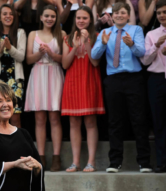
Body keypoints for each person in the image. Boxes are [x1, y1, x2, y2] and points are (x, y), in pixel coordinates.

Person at [92, 2, 152, 173]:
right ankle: (115, 162)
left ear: (127, 15)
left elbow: (142, 53)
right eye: (116, 13)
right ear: (112, 15)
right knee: (115, 121)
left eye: (122, 13)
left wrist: (132, 44)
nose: (119, 15)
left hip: (134, 79)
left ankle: (144, 162)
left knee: (139, 119)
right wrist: (103, 44)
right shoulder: (105, 32)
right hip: (113, 80)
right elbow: (94, 55)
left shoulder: (136, 30)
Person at [62, 6, 104, 172]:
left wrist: (86, 43)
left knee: (90, 121)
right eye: (78, 18)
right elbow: (65, 64)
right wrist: (75, 47)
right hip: (72, 82)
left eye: (84, 18)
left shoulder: (97, 36)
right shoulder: (67, 38)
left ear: (90, 20)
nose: (81, 21)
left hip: (89, 80)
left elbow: (95, 62)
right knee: (73, 122)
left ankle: (91, 161)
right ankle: (75, 162)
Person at [25, 4, 65, 171]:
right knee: (39, 119)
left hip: (54, 73)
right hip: (38, 74)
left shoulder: (61, 34)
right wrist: (41, 53)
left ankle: (56, 157)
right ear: (40, 17)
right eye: (46, 16)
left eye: (53, 16)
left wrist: (51, 53)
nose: (49, 19)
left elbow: (64, 59)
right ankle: (40, 157)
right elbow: (28, 59)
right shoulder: (33, 34)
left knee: (55, 118)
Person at [0, 4, 26, 128]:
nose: (8, 16)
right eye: (5, 14)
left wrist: (9, 48)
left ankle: (17, 147)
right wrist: (0, 50)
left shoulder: (20, 33)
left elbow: (21, 57)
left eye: (11, 14)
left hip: (15, 80)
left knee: (15, 119)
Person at [140, 0, 166, 173]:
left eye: (165, 12)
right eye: (159, 13)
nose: (162, 15)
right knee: (159, 123)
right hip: (156, 80)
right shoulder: (152, 34)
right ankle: (162, 162)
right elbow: (144, 60)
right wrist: (156, 46)